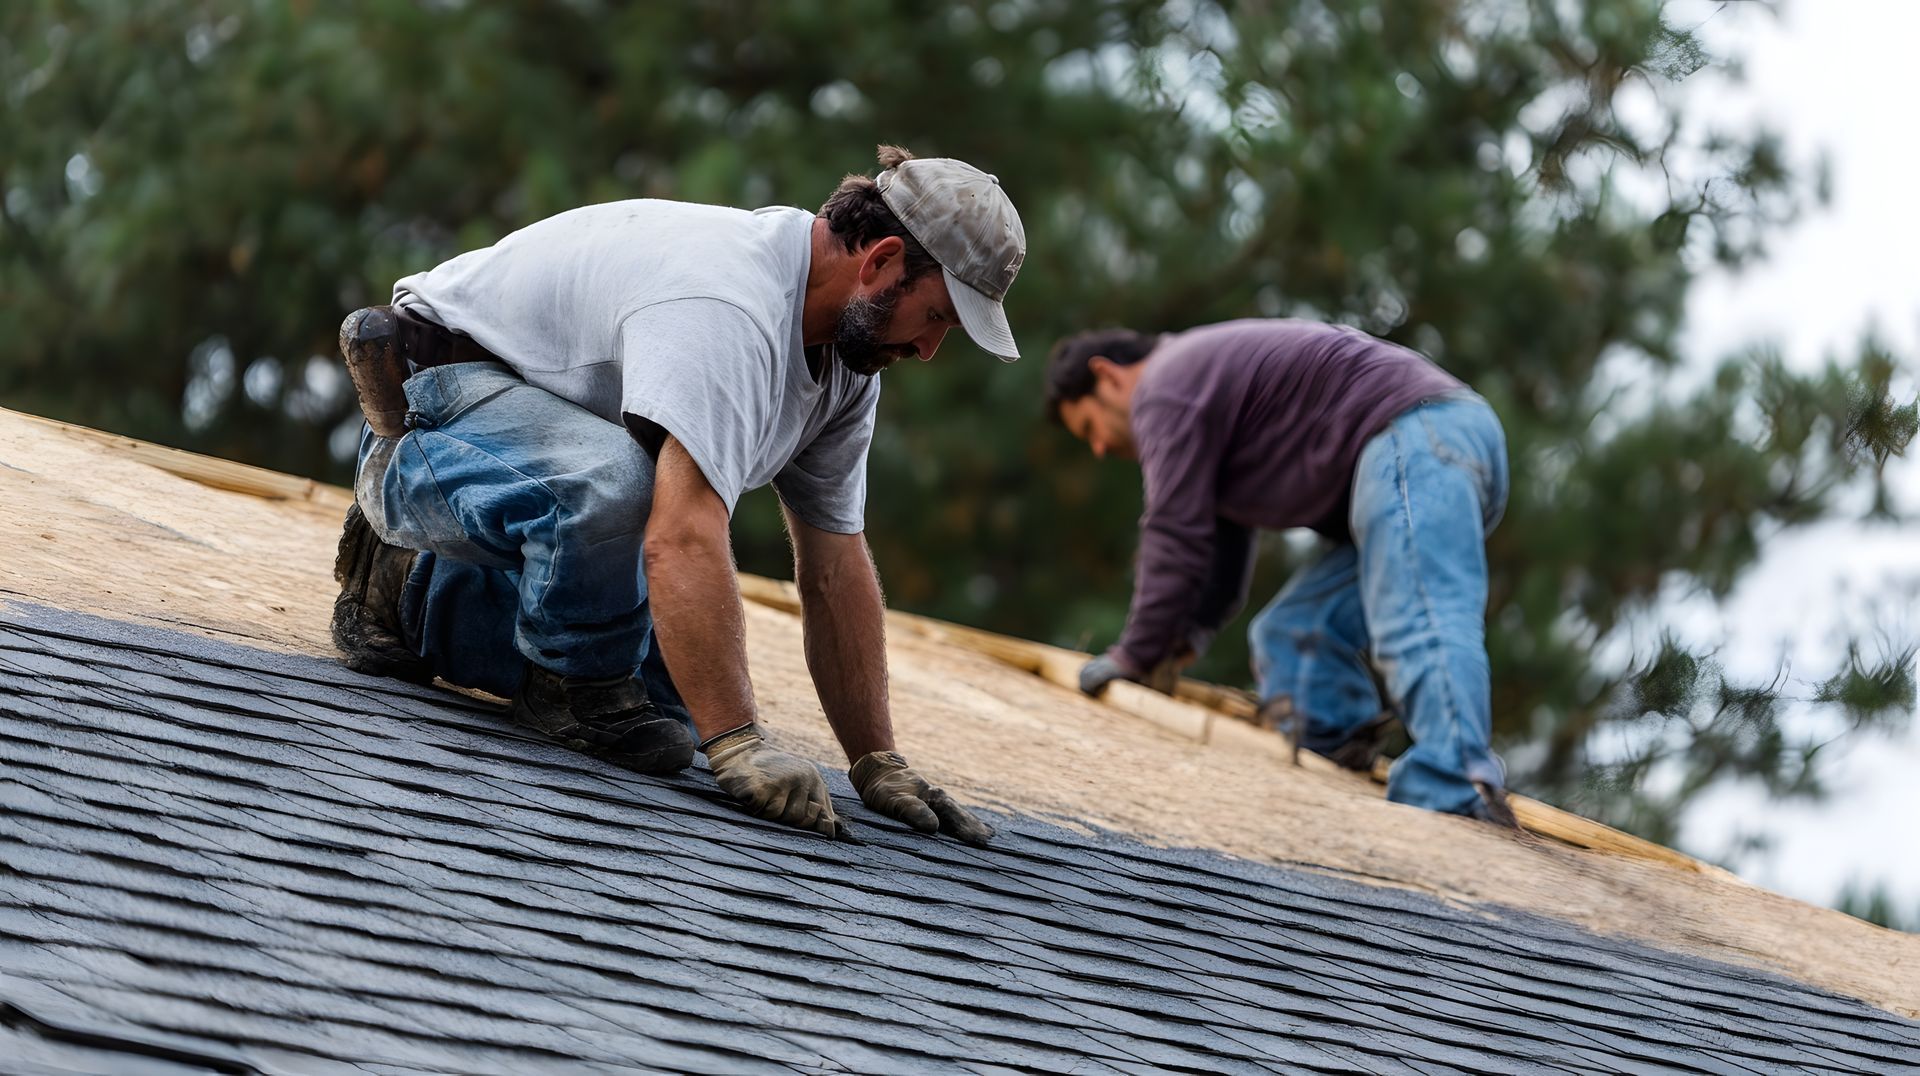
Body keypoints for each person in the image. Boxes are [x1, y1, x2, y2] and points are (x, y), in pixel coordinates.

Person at [331, 146, 1024, 844]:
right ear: (881, 261)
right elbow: (681, 535)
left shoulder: (847, 364)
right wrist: (740, 744)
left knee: (673, 703)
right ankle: (405, 574)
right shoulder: (731, 304)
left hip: (544, 445)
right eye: (936, 317)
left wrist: (876, 761)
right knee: (623, 493)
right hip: (436, 406)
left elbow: (834, 565)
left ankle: (434, 597)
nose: (929, 349)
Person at [1044, 319, 1518, 826]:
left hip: (1420, 436)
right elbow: (1220, 558)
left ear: (1108, 376)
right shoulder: (1198, 391)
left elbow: (1174, 533)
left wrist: (1133, 655)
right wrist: (1182, 639)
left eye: (1090, 428)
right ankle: (1332, 750)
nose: (1099, 449)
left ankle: (1457, 781)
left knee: (1418, 612)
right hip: (1425, 447)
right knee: (1292, 631)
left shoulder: (1165, 385)